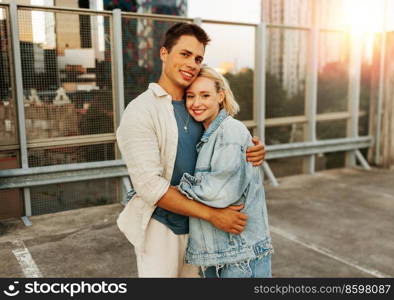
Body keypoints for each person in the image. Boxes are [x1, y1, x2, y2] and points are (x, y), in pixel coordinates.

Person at [116, 22, 266, 278]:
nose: (192, 63)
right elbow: (150, 186)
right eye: (184, 54)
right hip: (162, 229)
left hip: (204, 233)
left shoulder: (197, 106)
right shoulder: (141, 111)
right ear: (164, 53)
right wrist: (212, 214)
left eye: (198, 58)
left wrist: (253, 148)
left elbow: (225, 144)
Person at [177, 66, 273, 278]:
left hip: (240, 258)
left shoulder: (230, 131)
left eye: (205, 95)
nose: (196, 103)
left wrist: (171, 191)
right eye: (190, 96)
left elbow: (220, 194)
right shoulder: (205, 134)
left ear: (220, 96)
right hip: (221, 254)